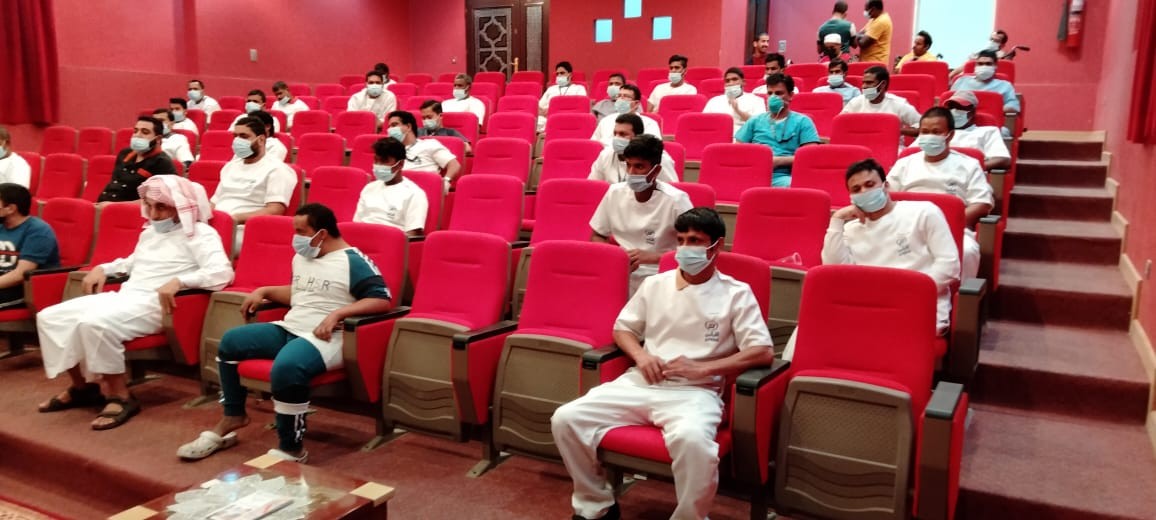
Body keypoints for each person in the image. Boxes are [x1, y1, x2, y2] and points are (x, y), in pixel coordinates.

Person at [554, 207, 775, 520]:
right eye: (681, 240)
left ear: (717, 246)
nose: (685, 248)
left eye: (695, 241)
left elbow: (762, 351)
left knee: (693, 442)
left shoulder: (736, 293)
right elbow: (623, 329)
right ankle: (596, 504)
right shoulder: (655, 285)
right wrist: (641, 356)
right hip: (641, 382)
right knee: (566, 419)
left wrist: (705, 368)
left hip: (695, 391)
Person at [177, 203, 391, 462]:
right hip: (291, 327)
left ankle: (292, 448)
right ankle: (234, 415)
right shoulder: (303, 257)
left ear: (322, 233)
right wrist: (265, 291)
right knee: (231, 342)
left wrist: (338, 314)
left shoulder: (353, 261)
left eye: (301, 232)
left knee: (287, 367)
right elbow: (302, 293)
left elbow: (381, 300)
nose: (295, 238)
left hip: (330, 337)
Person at [37, 175, 234, 430]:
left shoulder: (201, 234)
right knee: (50, 317)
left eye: (161, 207)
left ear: (181, 207)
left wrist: (180, 281)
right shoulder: (150, 232)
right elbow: (132, 262)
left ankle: (120, 396)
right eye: (149, 206)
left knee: (95, 324)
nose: (153, 214)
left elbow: (222, 273)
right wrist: (103, 268)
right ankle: (82, 387)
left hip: (160, 305)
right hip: (128, 297)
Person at [821, 158, 959, 337]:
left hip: (917, 304)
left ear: (886, 186)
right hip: (867, 308)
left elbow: (949, 266)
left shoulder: (924, 212)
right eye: (856, 189)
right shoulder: (850, 230)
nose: (864, 191)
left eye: (870, 184)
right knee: (814, 328)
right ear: (851, 198)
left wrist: (906, 296)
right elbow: (834, 271)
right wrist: (837, 219)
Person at [889, 107, 993, 279]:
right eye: (925, 132)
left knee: (967, 251)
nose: (929, 136)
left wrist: (946, 224)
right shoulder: (904, 163)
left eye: (936, 132)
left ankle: (960, 295)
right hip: (906, 227)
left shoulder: (969, 165)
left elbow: (981, 204)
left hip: (951, 228)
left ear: (950, 135)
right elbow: (888, 196)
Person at [590, 135, 692, 295]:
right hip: (621, 269)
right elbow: (598, 235)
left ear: (656, 170)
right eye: (628, 165)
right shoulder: (614, 192)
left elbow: (694, 249)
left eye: (639, 167)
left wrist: (654, 257)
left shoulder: (677, 200)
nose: (631, 173)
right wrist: (614, 257)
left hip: (662, 273)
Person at [735, 74, 821, 187]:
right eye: (770, 93)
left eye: (779, 93)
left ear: (790, 95)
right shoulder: (755, 120)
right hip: (753, 173)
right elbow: (737, 151)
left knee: (794, 187)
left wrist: (779, 161)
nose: (773, 97)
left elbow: (810, 157)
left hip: (784, 176)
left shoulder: (803, 121)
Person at [211, 117, 297, 228]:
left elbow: (275, 210)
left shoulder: (277, 169)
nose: (237, 141)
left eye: (244, 136)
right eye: (235, 136)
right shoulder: (230, 166)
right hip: (217, 224)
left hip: (246, 227)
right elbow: (214, 201)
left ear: (261, 140)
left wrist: (235, 218)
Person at [0, 183, 60, 309]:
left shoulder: (38, 231)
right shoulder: (2, 226)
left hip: (22, 289)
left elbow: (20, 275)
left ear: (10, 208)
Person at [353, 137, 429, 236]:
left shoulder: (415, 194)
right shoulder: (369, 188)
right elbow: (356, 224)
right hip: (361, 240)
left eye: (384, 161)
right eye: (376, 160)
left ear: (400, 164)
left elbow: (413, 233)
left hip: (389, 242)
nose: (378, 165)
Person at [97, 117, 178, 202]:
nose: (137, 135)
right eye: (135, 131)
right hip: (104, 203)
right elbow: (115, 183)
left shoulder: (162, 162)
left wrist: (113, 206)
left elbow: (159, 199)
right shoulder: (124, 153)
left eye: (145, 132)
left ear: (157, 139)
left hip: (130, 208)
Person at [589, 114, 679, 185]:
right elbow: (594, 185)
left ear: (637, 136)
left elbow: (671, 189)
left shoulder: (658, 157)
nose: (616, 138)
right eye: (615, 134)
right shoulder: (606, 154)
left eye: (623, 134)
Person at [385, 111, 462, 186]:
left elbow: (454, 165)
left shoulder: (429, 144)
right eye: (389, 127)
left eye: (394, 125)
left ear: (408, 126)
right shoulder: (389, 151)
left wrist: (446, 181)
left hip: (424, 189)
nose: (390, 129)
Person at [841, 66, 921, 137]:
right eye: (863, 82)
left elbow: (921, 127)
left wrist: (896, 130)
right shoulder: (856, 102)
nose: (864, 86)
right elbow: (840, 124)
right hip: (860, 143)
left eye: (869, 82)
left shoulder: (899, 104)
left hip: (891, 145)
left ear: (883, 84)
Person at [942, 91, 1011, 170]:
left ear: (972, 112)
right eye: (951, 107)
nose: (954, 111)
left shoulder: (988, 131)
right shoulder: (940, 132)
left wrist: (971, 169)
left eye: (960, 108)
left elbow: (1003, 159)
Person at [950, 50, 1020, 113]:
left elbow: (1013, 106)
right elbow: (949, 103)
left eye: (988, 64)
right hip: (962, 119)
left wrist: (992, 110)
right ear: (976, 66)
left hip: (992, 120)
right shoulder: (961, 81)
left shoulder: (1005, 85)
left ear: (995, 66)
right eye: (980, 64)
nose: (984, 66)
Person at [590, 84, 662, 146]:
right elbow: (595, 145)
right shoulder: (606, 121)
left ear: (636, 104)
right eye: (619, 96)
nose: (621, 99)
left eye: (626, 96)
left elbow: (654, 148)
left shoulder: (649, 124)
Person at [703, 68, 767, 134]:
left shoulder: (756, 100)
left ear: (743, 82)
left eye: (735, 79)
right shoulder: (714, 101)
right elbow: (705, 123)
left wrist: (738, 110)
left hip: (744, 136)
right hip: (719, 136)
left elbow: (759, 124)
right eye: (727, 81)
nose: (731, 83)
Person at [538, 61, 589, 131]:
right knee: (537, 121)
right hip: (549, 118)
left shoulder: (579, 88)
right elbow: (539, 107)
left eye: (562, 73)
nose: (559, 76)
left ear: (570, 75)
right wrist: (543, 112)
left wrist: (553, 110)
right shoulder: (551, 89)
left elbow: (581, 107)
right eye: (557, 74)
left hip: (570, 118)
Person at [857, 0, 893, 66]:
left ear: (873, 9)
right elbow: (861, 33)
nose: (865, 12)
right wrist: (861, 36)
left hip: (875, 63)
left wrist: (858, 37)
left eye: (866, 10)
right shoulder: (873, 19)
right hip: (868, 62)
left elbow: (863, 43)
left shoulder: (881, 21)